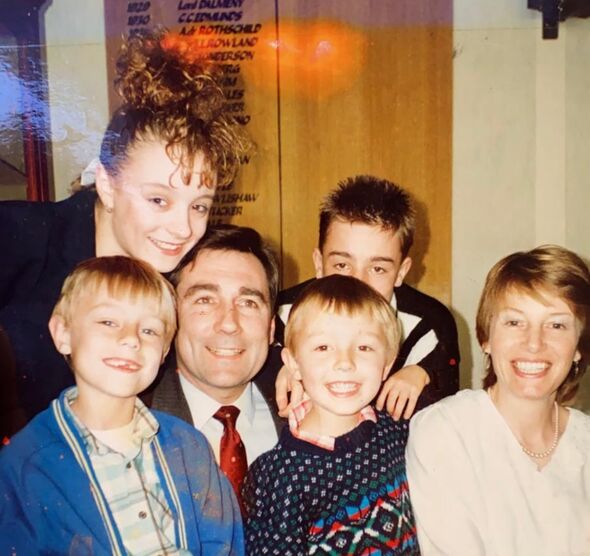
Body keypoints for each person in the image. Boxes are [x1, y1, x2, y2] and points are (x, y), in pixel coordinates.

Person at [0, 28, 250, 435]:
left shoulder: (180, 276)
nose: (184, 228)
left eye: (199, 206)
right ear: (107, 185)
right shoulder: (20, 237)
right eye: (158, 200)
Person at [0, 256, 243, 554]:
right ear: (63, 333)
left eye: (150, 330)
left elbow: (223, 544)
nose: (130, 339)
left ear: (165, 350)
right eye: (108, 322)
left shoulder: (189, 446)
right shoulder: (24, 465)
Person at [406, 245, 590, 555]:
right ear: (486, 338)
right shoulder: (444, 432)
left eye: (556, 325)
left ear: (578, 348)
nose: (534, 343)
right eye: (514, 322)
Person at [243, 274, 419, 554]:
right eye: (323, 347)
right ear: (294, 364)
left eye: (364, 348)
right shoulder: (279, 475)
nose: (345, 363)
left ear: (386, 365)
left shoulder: (396, 430)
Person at [275, 175, 460, 419]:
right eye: (342, 264)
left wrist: (425, 373)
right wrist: (278, 369)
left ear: (401, 272)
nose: (357, 283)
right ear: (319, 263)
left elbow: (445, 406)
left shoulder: (429, 324)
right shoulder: (284, 312)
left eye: (378, 269)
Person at [150, 225, 283, 506]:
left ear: (271, 327)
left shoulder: (307, 413)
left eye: (248, 302)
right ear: (171, 318)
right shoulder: (135, 422)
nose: (228, 323)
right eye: (205, 300)